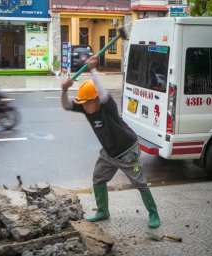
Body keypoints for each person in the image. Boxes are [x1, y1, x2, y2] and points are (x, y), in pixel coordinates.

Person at [61, 56, 160, 229]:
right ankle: (102, 211)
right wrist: (64, 90)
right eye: (82, 103)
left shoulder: (108, 107)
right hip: (109, 153)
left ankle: (153, 213)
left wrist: (93, 70)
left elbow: (103, 92)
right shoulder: (87, 110)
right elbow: (67, 105)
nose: (83, 106)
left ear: (96, 99)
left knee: (140, 182)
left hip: (130, 153)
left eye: (87, 102)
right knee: (98, 178)